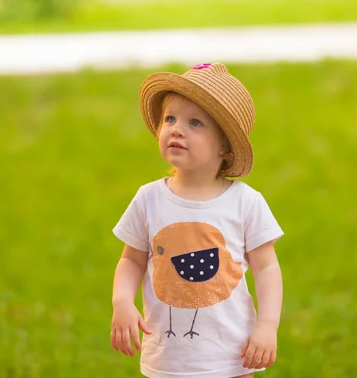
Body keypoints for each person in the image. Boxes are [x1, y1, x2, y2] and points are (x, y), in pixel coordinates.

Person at [110, 62, 285, 378]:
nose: (177, 129)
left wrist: (267, 326)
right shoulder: (148, 199)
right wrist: (122, 301)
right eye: (171, 119)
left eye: (195, 123)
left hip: (233, 356)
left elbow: (267, 267)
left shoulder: (245, 202)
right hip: (168, 360)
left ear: (224, 146)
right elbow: (132, 261)